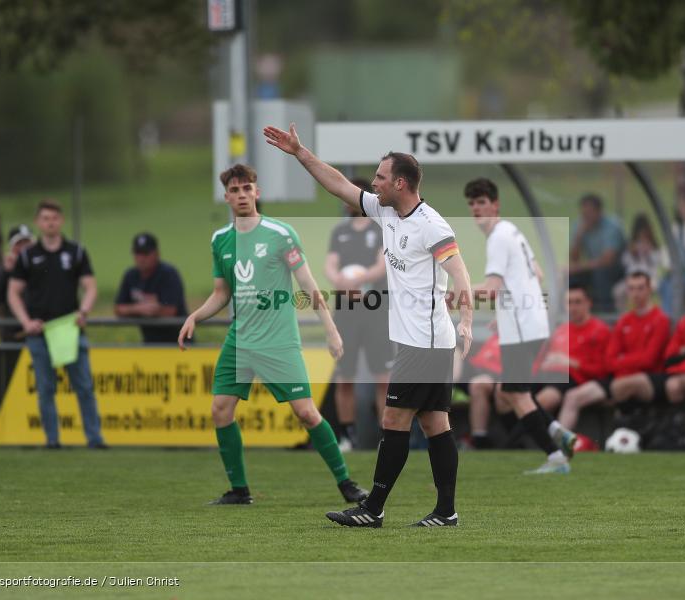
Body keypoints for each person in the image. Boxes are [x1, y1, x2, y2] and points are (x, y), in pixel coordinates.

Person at [265, 123, 473, 528]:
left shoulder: (431, 225)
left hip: (425, 342)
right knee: (435, 423)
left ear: (400, 183)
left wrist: (466, 321)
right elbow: (340, 186)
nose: (373, 183)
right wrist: (300, 153)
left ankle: (372, 508)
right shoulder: (386, 210)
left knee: (394, 420)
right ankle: (446, 511)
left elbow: (461, 273)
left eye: (380, 177)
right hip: (423, 341)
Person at [178, 163, 367, 506]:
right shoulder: (220, 240)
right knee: (220, 409)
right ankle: (239, 490)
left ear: (257, 192)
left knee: (306, 413)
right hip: (240, 341)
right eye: (234, 190)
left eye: (246, 189)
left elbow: (308, 284)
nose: (241, 195)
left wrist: (331, 330)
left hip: (279, 341)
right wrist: (196, 316)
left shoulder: (281, 234)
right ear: (226, 197)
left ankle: (346, 483)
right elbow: (222, 293)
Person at [464, 177, 576, 474]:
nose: (476, 209)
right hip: (529, 323)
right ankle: (557, 433)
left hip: (522, 328)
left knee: (515, 393)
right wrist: (508, 310)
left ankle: (556, 456)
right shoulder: (512, 231)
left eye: (481, 202)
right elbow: (536, 273)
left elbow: (491, 289)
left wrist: (456, 292)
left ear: (495, 204)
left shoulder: (498, 237)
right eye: (472, 204)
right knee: (510, 389)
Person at [6, 200, 105, 449]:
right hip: (41, 333)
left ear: (61, 221)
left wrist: (84, 311)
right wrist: (26, 321)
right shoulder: (28, 256)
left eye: (54, 218)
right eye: (45, 218)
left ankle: (94, 439)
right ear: (38, 222)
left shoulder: (76, 252)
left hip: (70, 330)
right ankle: (52, 440)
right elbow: (13, 293)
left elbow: (91, 287)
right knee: (46, 389)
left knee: (84, 387)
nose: (50, 223)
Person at [554, 272, 671, 437]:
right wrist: (629, 360)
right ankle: (558, 442)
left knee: (627, 383)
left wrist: (622, 360)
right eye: (632, 289)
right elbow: (609, 361)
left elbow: (649, 360)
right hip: (617, 379)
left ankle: (626, 432)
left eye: (640, 288)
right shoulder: (623, 321)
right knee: (572, 396)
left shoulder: (660, 320)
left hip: (648, 379)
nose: (636, 294)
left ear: (649, 290)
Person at [324, 178, 391, 451]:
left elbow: (382, 265)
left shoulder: (381, 228)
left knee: (383, 378)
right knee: (345, 377)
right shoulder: (339, 232)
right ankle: (347, 436)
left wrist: (360, 280)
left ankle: (387, 435)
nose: (346, 200)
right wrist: (340, 281)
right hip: (346, 313)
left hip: (376, 311)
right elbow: (330, 265)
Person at [608, 268, 685, 408]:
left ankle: (677, 420)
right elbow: (669, 357)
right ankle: (637, 419)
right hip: (673, 373)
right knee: (619, 386)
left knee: (672, 385)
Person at [533, 283, 611, 417]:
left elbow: (603, 369)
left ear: (588, 303)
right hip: (547, 374)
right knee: (512, 391)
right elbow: (540, 359)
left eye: (578, 302)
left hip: (572, 378)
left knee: (544, 400)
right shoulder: (561, 330)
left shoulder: (600, 331)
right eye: (569, 302)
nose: (573, 307)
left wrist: (571, 362)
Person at [115, 232, 188, 344]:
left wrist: (154, 309)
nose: (141, 258)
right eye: (137, 253)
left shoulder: (168, 274)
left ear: (156, 254)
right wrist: (139, 308)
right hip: (149, 343)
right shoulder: (130, 276)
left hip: (179, 343)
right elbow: (118, 308)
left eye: (146, 253)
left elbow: (171, 311)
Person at [568, 192, 626, 313]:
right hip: (594, 266)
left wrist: (578, 267)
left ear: (599, 212)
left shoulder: (611, 226)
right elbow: (574, 258)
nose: (586, 217)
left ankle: (606, 312)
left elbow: (607, 260)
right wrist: (578, 236)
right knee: (571, 277)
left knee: (600, 274)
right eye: (584, 214)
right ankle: (573, 310)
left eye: (589, 213)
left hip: (617, 267)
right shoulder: (579, 225)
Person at [0, 224, 35, 341]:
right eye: (19, 244)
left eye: (27, 243)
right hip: (14, 333)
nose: (24, 248)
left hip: (39, 330)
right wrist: (5, 272)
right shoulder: (7, 270)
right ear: (12, 248)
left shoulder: (42, 266)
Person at [456, 332, 502, 450]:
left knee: (478, 384)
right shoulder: (495, 336)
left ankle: (478, 439)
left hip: (496, 377)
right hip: (474, 372)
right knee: (454, 351)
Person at [613, 214, 662, 312]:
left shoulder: (654, 246)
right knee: (618, 291)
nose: (642, 237)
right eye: (640, 234)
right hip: (632, 278)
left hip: (650, 278)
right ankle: (622, 314)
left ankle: (649, 312)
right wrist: (632, 253)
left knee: (650, 289)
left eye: (644, 234)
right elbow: (624, 262)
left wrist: (649, 253)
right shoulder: (631, 246)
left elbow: (659, 261)